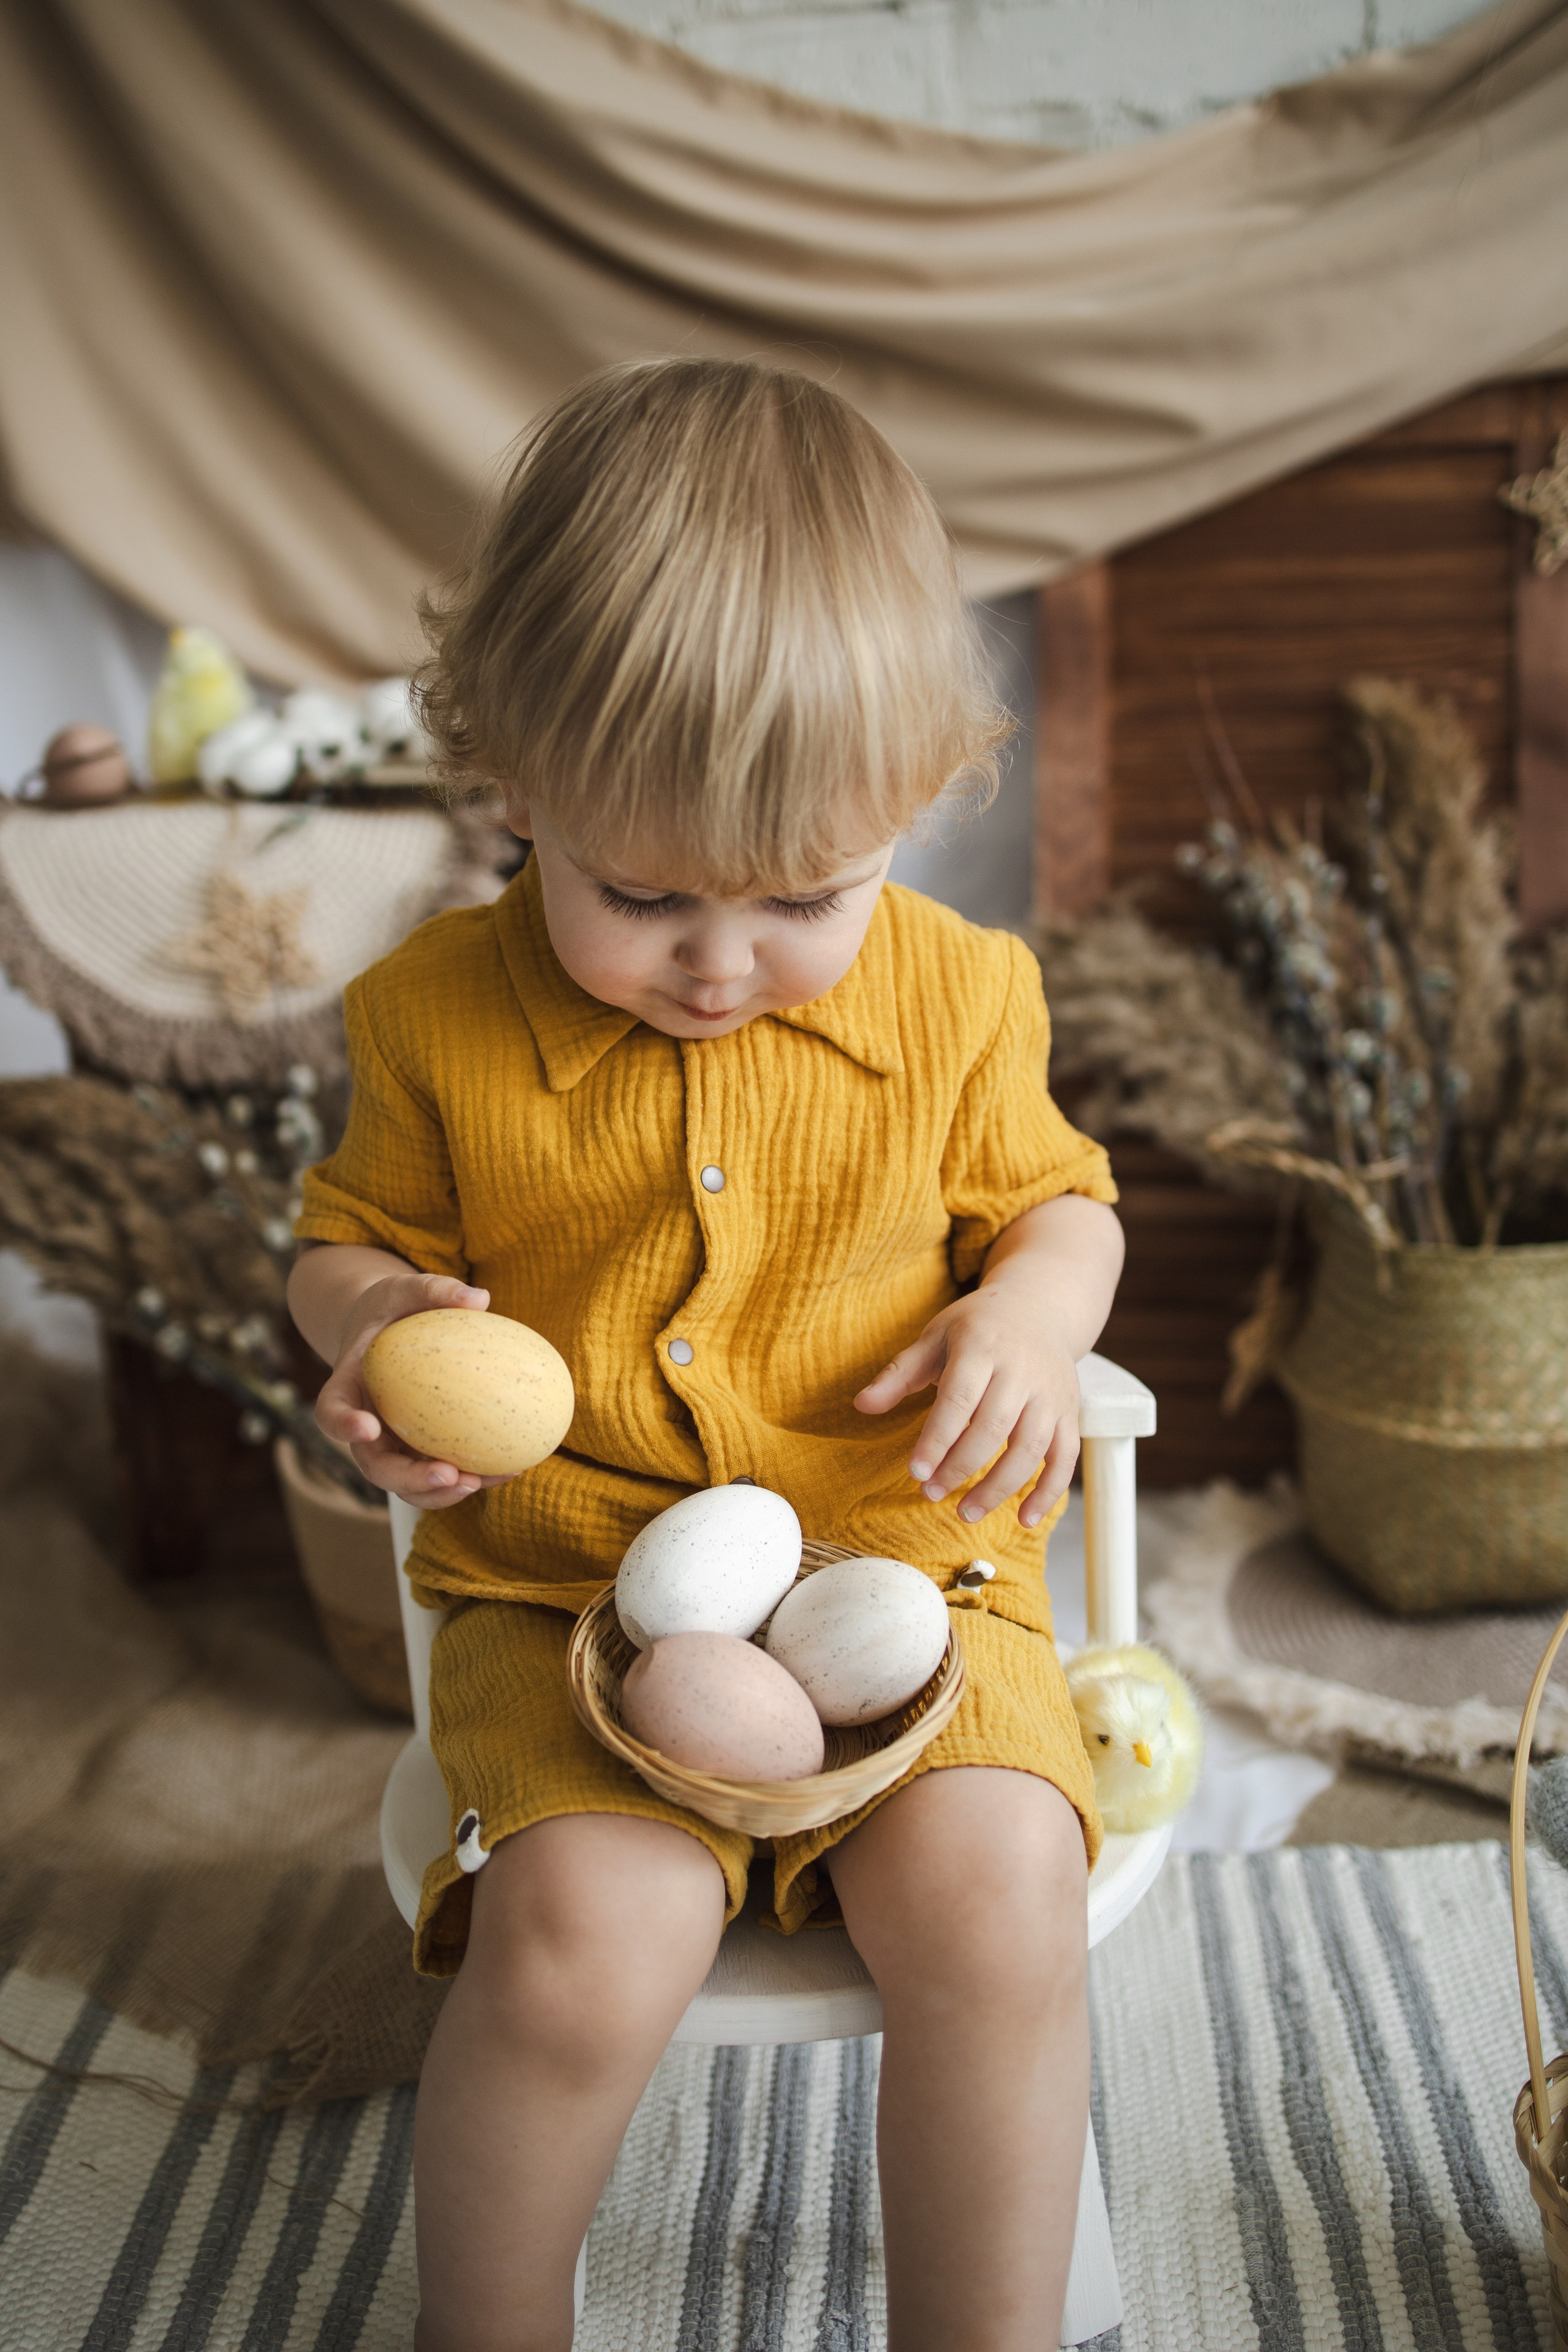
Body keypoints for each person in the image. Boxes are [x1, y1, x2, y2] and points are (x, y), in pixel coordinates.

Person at [288, 356, 1125, 2352]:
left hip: (910, 1568)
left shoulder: (965, 996)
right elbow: (346, 1246)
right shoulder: (429, 1014)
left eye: (807, 894)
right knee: (590, 1942)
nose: (721, 960)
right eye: (640, 892)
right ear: (515, 787)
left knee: (1000, 1891)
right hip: (569, 1577)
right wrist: (381, 1329)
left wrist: (1033, 1307)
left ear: (916, 797)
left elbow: (1063, 1200)